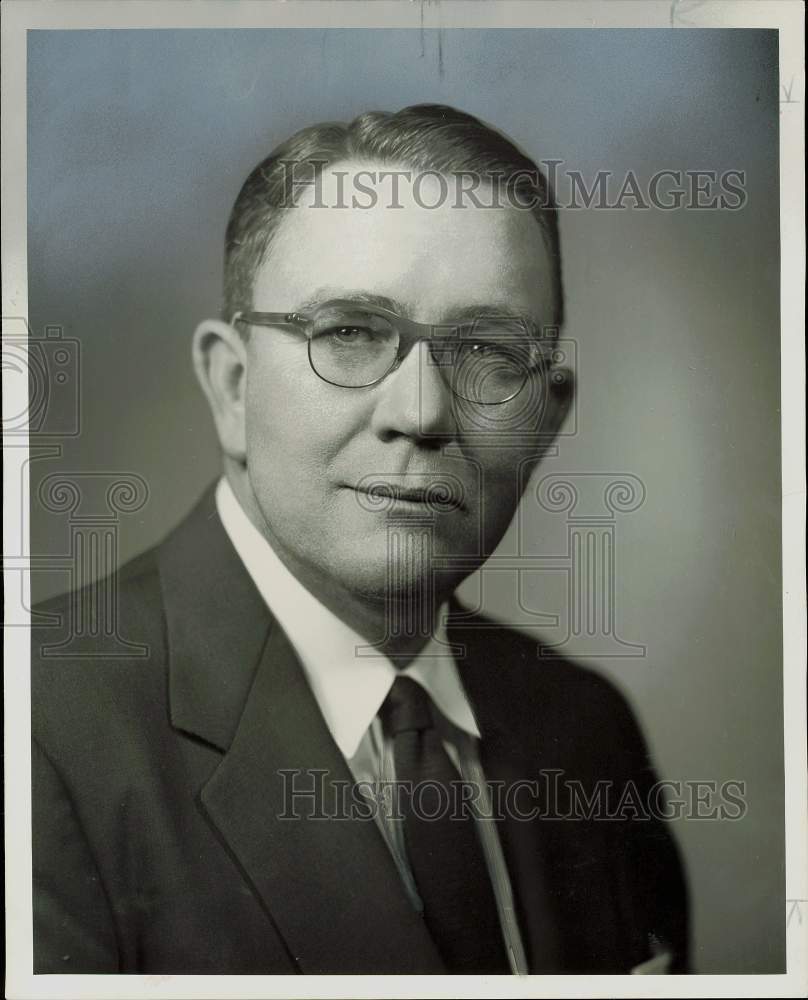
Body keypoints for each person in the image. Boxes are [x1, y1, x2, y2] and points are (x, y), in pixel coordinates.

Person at [31, 104, 689, 975]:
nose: (419, 414)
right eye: (349, 333)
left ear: (546, 417)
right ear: (232, 387)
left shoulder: (585, 731)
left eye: (487, 350)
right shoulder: (37, 729)